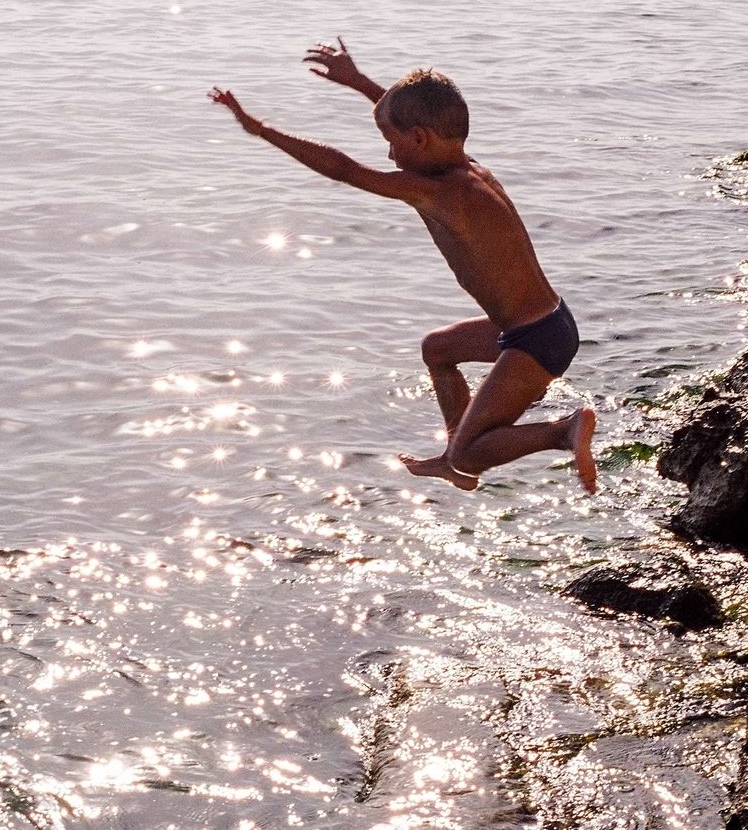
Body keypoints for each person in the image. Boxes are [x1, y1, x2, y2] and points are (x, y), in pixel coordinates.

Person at [209, 38, 596, 493]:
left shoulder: (438, 192)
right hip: (544, 322)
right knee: (438, 349)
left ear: (418, 140)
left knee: (473, 454)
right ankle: (454, 458)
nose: (390, 156)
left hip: (537, 340)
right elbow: (414, 122)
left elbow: (344, 170)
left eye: (391, 144)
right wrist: (358, 83)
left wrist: (262, 130)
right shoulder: (467, 169)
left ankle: (561, 431)